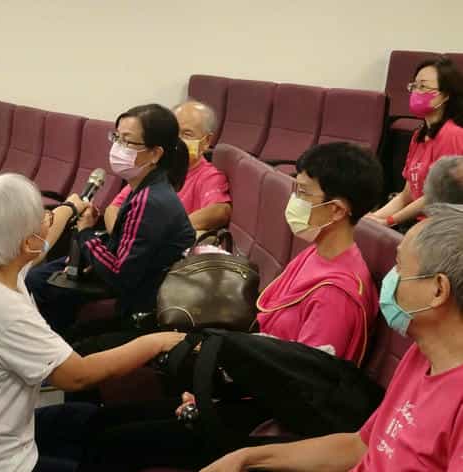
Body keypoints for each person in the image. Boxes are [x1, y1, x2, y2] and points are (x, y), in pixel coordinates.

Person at [36, 142, 385, 470]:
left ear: (337, 209)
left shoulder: (337, 294)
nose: (294, 201)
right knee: (99, 424)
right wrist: (209, 383)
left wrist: (213, 393)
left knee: (112, 442)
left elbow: (301, 390)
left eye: (304, 193)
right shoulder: (315, 255)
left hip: (260, 422)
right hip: (238, 388)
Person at [0, 173, 185, 472]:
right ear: (26, 243)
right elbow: (79, 376)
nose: (49, 218)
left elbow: (40, 242)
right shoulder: (5, 313)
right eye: (43, 217)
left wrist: (71, 207)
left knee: (87, 418)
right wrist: (155, 342)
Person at [200, 204, 463, 472]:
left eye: (399, 267)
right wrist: (245, 458)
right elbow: (361, 446)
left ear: (438, 290)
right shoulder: (421, 354)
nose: (391, 278)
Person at [25, 104, 196, 339]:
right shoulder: (145, 188)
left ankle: (54, 351)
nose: (118, 148)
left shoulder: (150, 200)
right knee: (44, 276)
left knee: (41, 284)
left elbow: (119, 273)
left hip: (141, 305)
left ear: (155, 154)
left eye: (128, 142)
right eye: (116, 138)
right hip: (134, 284)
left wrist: (85, 233)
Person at [104, 100, 231, 234]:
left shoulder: (209, 176)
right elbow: (113, 208)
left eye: (187, 134)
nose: (178, 140)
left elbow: (220, 211)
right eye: (174, 133)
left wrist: (165, 232)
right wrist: (120, 236)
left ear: (207, 141)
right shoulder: (151, 168)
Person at [367, 56, 463, 228]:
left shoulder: (452, 135)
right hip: (415, 221)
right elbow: (408, 194)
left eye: (423, 87)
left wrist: (389, 221)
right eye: (414, 86)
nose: (416, 92)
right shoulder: (419, 135)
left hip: (439, 226)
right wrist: (373, 218)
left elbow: (435, 196)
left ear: (445, 95)